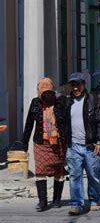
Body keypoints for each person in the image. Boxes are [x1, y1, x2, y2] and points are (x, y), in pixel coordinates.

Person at [64, 72, 100, 216]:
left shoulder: (93, 100)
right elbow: (62, 121)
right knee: (75, 176)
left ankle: (94, 200)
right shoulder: (67, 101)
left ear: (84, 85)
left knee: (93, 175)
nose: (75, 87)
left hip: (91, 146)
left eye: (78, 84)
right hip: (73, 146)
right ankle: (76, 204)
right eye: (73, 84)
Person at [22, 78, 67, 211]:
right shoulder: (35, 103)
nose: (47, 96)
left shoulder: (61, 102)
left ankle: (57, 199)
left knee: (59, 171)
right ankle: (43, 201)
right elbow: (29, 124)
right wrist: (24, 144)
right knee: (40, 171)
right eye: (44, 93)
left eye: (49, 92)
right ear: (39, 92)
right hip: (41, 143)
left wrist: (68, 141)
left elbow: (67, 122)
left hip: (58, 142)